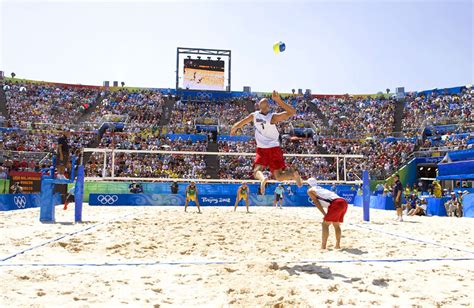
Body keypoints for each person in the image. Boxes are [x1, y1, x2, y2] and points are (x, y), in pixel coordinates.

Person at [230, 91, 302, 194]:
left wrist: (234, 128)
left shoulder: (253, 116)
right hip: (274, 148)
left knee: (256, 171)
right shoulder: (272, 117)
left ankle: (263, 178)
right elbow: (292, 112)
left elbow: (240, 123)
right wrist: (278, 100)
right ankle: (292, 175)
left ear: (259, 106)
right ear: (268, 106)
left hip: (262, 148)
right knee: (279, 177)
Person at [306, 177, 348, 249]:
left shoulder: (310, 190)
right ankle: (337, 245)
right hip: (343, 202)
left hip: (335, 203)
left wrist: (324, 214)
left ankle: (323, 246)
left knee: (325, 224)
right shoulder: (320, 188)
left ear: (309, 184)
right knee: (336, 224)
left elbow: (317, 203)